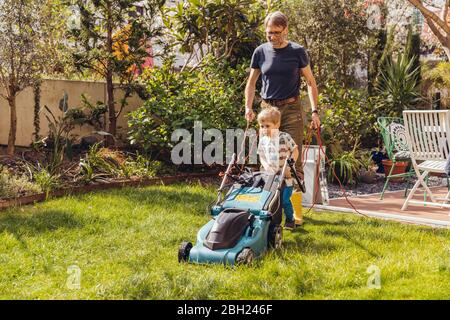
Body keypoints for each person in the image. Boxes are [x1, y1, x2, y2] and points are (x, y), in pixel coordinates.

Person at [245, 11, 320, 182]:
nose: (272, 36)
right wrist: (248, 107)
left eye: (276, 32)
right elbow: (251, 83)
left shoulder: (297, 51)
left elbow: (310, 81)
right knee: (268, 158)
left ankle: (293, 207)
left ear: (285, 30)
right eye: (269, 32)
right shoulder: (260, 52)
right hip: (268, 111)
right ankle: (271, 207)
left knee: (293, 160)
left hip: (292, 110)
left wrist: (315, 111)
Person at [257, 107, 299, 230]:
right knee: (272, 200)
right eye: (261, 126)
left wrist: (290, 166)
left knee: (285, 200)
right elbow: (262, 156)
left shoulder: (285, 137)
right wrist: (266, 167)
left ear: (277, 124)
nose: (264, 129)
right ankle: (273, 221)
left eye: (267, 126)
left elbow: (295, 150)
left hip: (287, 176)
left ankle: (290, 219)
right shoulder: (263, 140)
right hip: (272, 176)